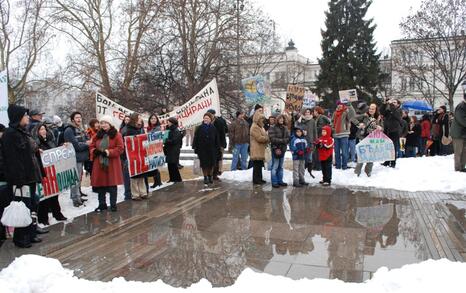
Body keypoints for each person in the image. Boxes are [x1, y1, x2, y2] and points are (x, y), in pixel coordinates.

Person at [2, 105, 44, 248]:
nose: (27, 117)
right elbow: (12, 159)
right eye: (25, 115)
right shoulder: (10, 134)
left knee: (31, 205)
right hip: (21, 179)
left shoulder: (23, 132)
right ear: (18, 118)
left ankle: (30, 233)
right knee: (23, 207)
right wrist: (18, 179)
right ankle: (21, 238)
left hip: (30, 176)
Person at [32, 123, 67, 225]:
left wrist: (63, 146)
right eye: (41, 129)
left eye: (44, 129)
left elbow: (56, 151)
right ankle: (43, 218)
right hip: (42, 173)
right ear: (37, 132)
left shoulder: (51, 141)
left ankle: (57, 214)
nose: (43, 131)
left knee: (54, 194)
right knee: (44, 196)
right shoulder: (35, 143)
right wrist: (37, 152)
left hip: (52, 172)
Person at [90, 115, 124, 212]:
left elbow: (120, 148)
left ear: (110, 124)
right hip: (99, 163)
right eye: (101, 123)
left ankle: (113, 204)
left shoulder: (117, 134)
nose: (103, 125)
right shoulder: (97, 135)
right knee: (101, 185)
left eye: (105, 123)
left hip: (112, 163)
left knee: (112, 185)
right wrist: (94, 151)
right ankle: (102, 204)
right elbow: (91, 146)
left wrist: (108, 152)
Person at [64, 111, 91, 207]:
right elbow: (75, 146)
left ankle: (78, 195)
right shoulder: (69, 130)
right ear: (72, 120)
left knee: (78, 178)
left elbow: (86, 140)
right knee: (75, 179)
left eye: (80, 117)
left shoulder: (80, 128)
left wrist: (86, 143)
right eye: (77, 118)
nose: (79, 119)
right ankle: (75, 198)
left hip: (81, 157)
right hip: (75, 158)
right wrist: (86, 144)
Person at [354, 103, 383, 177]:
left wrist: (380, 128)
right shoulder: (365, 115)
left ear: (376, 110)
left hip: (373, 139)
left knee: (371, 156)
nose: (371, 110)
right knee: (362, 155)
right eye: (370, 108)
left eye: (373, 109)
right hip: (363, 137)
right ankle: (357, 172)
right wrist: (359, 124)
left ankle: (368, 171)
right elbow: (353, 118)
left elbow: (382, 128)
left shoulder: (378, 118)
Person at [124, 113, 148, 200]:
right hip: (133, 154)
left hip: (141, 153)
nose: (140, 119)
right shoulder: (130, 129)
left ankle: (143, 192)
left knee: (141, 173)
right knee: (134, 174)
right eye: (139, 118)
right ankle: (135, 194)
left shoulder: (141, 128)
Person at [193, 112, 220, 185]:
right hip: (202, 149)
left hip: (211, 149)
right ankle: (205, 177)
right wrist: (195, 147)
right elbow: (196, 138)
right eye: (204, 118)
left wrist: (218, 148)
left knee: (211, 164)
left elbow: (216, 139)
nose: (206, 119)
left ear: (210, 119)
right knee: (204, 164)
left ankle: (210, 176)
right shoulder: (199, 128)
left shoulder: (213, 128)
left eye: (207, 118)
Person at [331, 101, 356, 170]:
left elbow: (352, 116)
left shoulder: (346, 112)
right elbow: (332, 121)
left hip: (344, 134)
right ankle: (338, 166)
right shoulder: (335, 113)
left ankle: (344, 166)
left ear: (343, 105)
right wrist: (332, 128)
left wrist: (350, 105)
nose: (339, 106)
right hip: (336, 134)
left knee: (345, 151)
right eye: (338, 105)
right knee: (336, 151)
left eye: (341, 105)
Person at [295, 108, 317, 178]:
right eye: (306, 112)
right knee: (303, 157)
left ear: (310, 113)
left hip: (310, 141)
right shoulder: (301, 120)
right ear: (304, 113)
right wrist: (299, 119)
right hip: (302, 141)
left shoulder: (312, 120)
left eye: (308, 112)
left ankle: (310, 172)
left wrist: (315, 140)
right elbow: (296, 127)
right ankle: (302, 171)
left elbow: (315, 131)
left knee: (310, 157)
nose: (307, 113)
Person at [268, 114, 289, 188]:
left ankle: (280, 181)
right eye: (280, 119)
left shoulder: (285, 128)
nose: (281, 120)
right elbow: (272, 139)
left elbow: (288, 138)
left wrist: (283, 141)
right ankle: (274, 182)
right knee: (275, 166)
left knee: (280, 166)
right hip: (275, 148)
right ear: (277, 119)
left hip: (283, 149)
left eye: (282, 119)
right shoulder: (272, 128)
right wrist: (283, 141)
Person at [380, 98, 402, 168]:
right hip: (387, 131)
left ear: (398, 104)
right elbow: (382, 112)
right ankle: (387, 161)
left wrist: (391, 104)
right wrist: (384, 104)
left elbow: (396, 115)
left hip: (395, 131)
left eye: (395, 102)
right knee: (387, 147)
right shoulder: (389, 110)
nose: (393, 103)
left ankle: (393, 162)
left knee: (393, 147)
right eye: (392, 102)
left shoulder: (399, 111)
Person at [207, 109, 228, 180]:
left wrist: (223, 144)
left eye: (210, 114)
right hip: (208, 144)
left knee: (217, 159)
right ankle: (209, 174)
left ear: (213, 114)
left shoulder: (219, 122)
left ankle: (215, 174)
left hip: (218, 144)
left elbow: (222, 133)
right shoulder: (206, 122)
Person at [249, 111, 269, 185]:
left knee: (260, 165)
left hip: (260, 149)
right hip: (256, 149)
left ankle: (259, 178)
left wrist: (266, 137)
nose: (262, 120)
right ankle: (256, 180)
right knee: (257, 166)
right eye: (261, 119)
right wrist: (267, 138)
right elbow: (259, 138)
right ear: (257, 119)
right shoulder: (254, 127)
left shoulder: (260, 126)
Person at [164, 117, 183, 183]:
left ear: (172, 122)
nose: (167, 123)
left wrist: (166, 140)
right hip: (169, 150)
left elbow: (174, 141)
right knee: (170, 165)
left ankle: (177, 179)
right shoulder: (169, 130)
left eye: (168, 122)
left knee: (174, 165)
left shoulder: (176, 131)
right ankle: (171, 178)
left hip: (174, 150)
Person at [451, 95, 466, 172]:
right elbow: (462, 120)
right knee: (458, 151)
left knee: (464, 151)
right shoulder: (461, 107)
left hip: (463, 133)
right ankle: (458, 168)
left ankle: (462, 167)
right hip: (458, 133)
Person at [147, 114, 162, 188]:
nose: (153, 120)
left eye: (154, 118)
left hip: (155, 149)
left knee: (155, 166)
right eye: (152, 118)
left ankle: (158, 182)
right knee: (153, 166)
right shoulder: (149, 128)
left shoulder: (157, 128)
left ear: (157, 120)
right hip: (150, 148)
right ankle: (157, 182)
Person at [313, 106, 331, 170]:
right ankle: (316, 166)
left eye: (314, 111)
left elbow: (322, 126)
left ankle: (318, 167)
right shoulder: (317, 118)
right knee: (317, 152)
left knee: (319, 152)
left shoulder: (322, 117)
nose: (313, 112)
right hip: (319, 136)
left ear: (317, 111)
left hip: (321, 137)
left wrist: (314, 129)